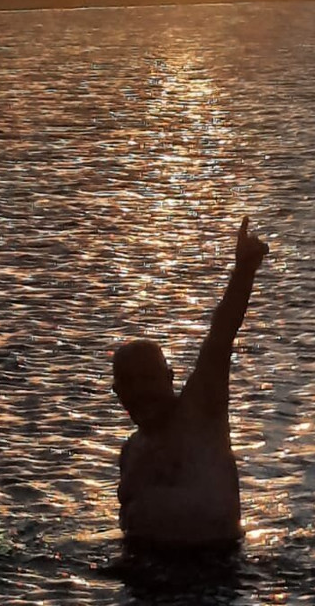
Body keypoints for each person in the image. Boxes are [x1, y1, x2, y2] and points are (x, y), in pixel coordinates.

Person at [111, 216, 269, 546]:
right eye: (130, 382)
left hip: (212, 574)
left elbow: (220, 337)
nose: (141, 391)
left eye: (148, 379)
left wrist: (244, 270)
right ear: (118, 392)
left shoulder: (200, 416)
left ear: (169, 379)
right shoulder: (131, 451)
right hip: (143, 580)